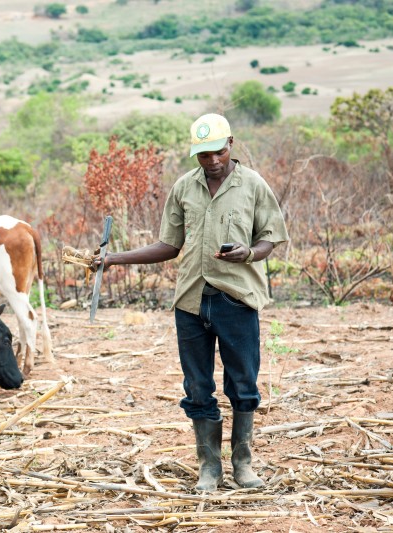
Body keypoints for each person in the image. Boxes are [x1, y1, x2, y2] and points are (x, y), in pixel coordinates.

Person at [90, 113, 289, 491]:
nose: (212, 161)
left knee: (243, 385)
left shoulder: (252, 185)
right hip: (192, 303)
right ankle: (209, 468)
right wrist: (114, 258)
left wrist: (248, 252)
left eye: (217, 152)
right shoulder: (183, 188)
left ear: (230, 143)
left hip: (236, 299)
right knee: (197, 387)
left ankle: (242, 465)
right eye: (203, 155)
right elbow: (169, 245)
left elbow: (271, 239)